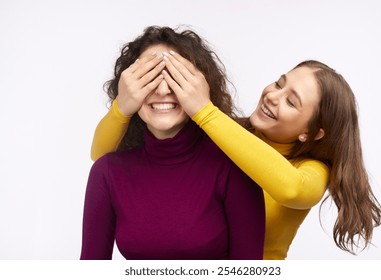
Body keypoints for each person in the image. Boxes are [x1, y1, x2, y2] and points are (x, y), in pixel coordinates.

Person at [90, 31, 381, 259]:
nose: (273, 96)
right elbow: (104, 160)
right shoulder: (227, 135)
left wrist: (203, 110)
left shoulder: (311, 171)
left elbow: (290, 187)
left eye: (291, 101)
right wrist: (123, 106)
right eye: (279, 83)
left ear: (313, 132)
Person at [80, 26, 265, 260]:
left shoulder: (234, 167)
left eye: (177, 79)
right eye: (149, 79)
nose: (164, 90)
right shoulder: (106, 172)